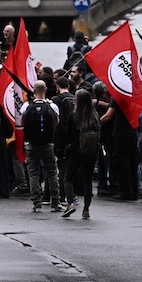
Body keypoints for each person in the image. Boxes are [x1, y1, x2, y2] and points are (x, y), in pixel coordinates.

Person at [22, 82, 61, 212]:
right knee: (52, 172)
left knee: (33, 173)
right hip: (48, 144)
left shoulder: (27, 106)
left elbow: (22, 123)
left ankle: (36, 202)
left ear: (34, 90)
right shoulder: (52, 106)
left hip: (31, 145)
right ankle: (55, 201)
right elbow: (56, 123)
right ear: (45, 89)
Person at [62, 89, 100, 218]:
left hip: (76, 151)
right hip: (91, 151)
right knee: (87, 180)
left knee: (68, 178)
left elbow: (67, 134)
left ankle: (70, 203)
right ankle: (86, 209)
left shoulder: (74, 116)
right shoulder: (94, 116)